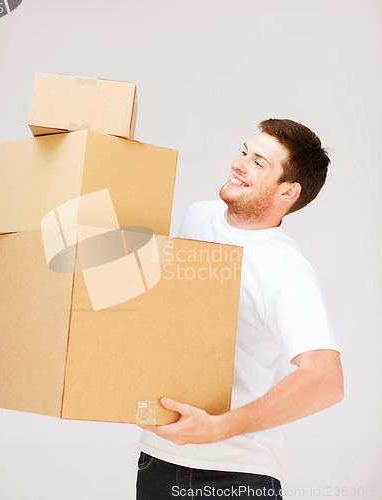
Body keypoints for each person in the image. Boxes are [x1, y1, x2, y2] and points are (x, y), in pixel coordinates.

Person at [136, 119, 344, 499]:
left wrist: (221, 428)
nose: (239, 163)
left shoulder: (287, 272)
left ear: (288, 191)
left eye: (259, 163)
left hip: (234, 474)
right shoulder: (198, 216)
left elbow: (325, 380)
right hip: (159, 456)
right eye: (245, 151)